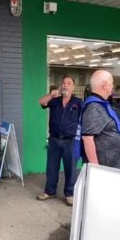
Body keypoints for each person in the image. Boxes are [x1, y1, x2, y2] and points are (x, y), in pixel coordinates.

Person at [37, 76, 83, 206]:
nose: (65, 85)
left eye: (69, 83)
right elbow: (41, 102)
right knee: (51, 168)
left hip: (70, 141)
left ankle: (69, 194)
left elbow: (85, 118)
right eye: (63, 83)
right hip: (54, 140)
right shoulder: (55, 100)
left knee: (70, 168)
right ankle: (50, 191)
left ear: (73, 87)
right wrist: (51, 95)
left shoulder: (78, 103)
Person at [81, 70, 120, 171]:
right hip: (107, 170)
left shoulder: (101, 104)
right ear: (105, 85)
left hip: (114, 167)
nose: (113, 86)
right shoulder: (94, 107)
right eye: (112, 83)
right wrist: (95, 169)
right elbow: (87, 139)